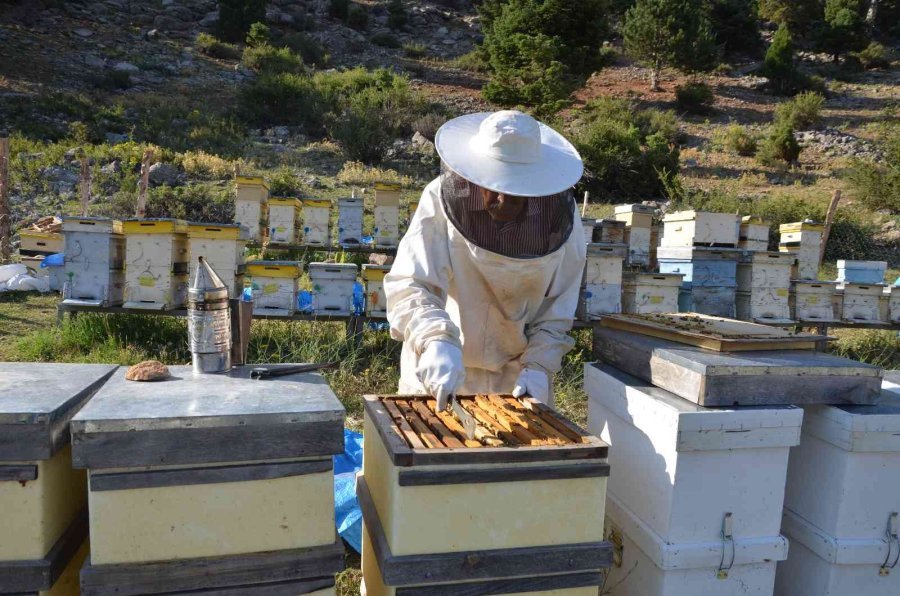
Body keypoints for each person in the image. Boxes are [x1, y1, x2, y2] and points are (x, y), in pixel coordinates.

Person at [384, 110, 587, 409]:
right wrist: (434, 339)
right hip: (439, 366)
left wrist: (539, 366)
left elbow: (557, 308)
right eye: (495, 185)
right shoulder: (440, 198)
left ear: (535, 183)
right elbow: (412, 283)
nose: (502, 200)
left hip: (516, 379)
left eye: (515, 190)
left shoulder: (559, 220)